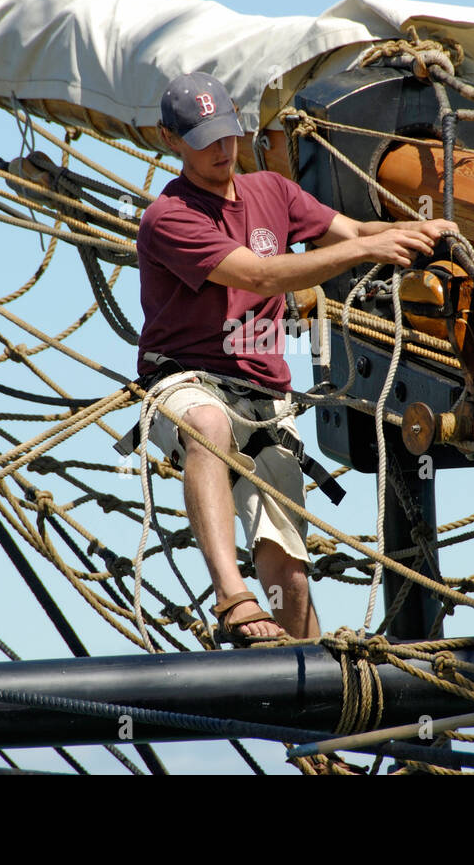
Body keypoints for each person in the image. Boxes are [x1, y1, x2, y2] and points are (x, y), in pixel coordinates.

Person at [137, 71, 454, 646]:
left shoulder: (272, 192)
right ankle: (232, 597)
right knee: (207, 425)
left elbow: (351, 230)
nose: (222, 150)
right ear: (169, 139)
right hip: (187, 380)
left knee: (292, 584)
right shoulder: (169, 217)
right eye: (204, 139)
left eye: (228, 133)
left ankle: (319, 715)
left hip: (263, 397)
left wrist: (417, 232)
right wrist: (365, 248)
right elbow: (257, 272)